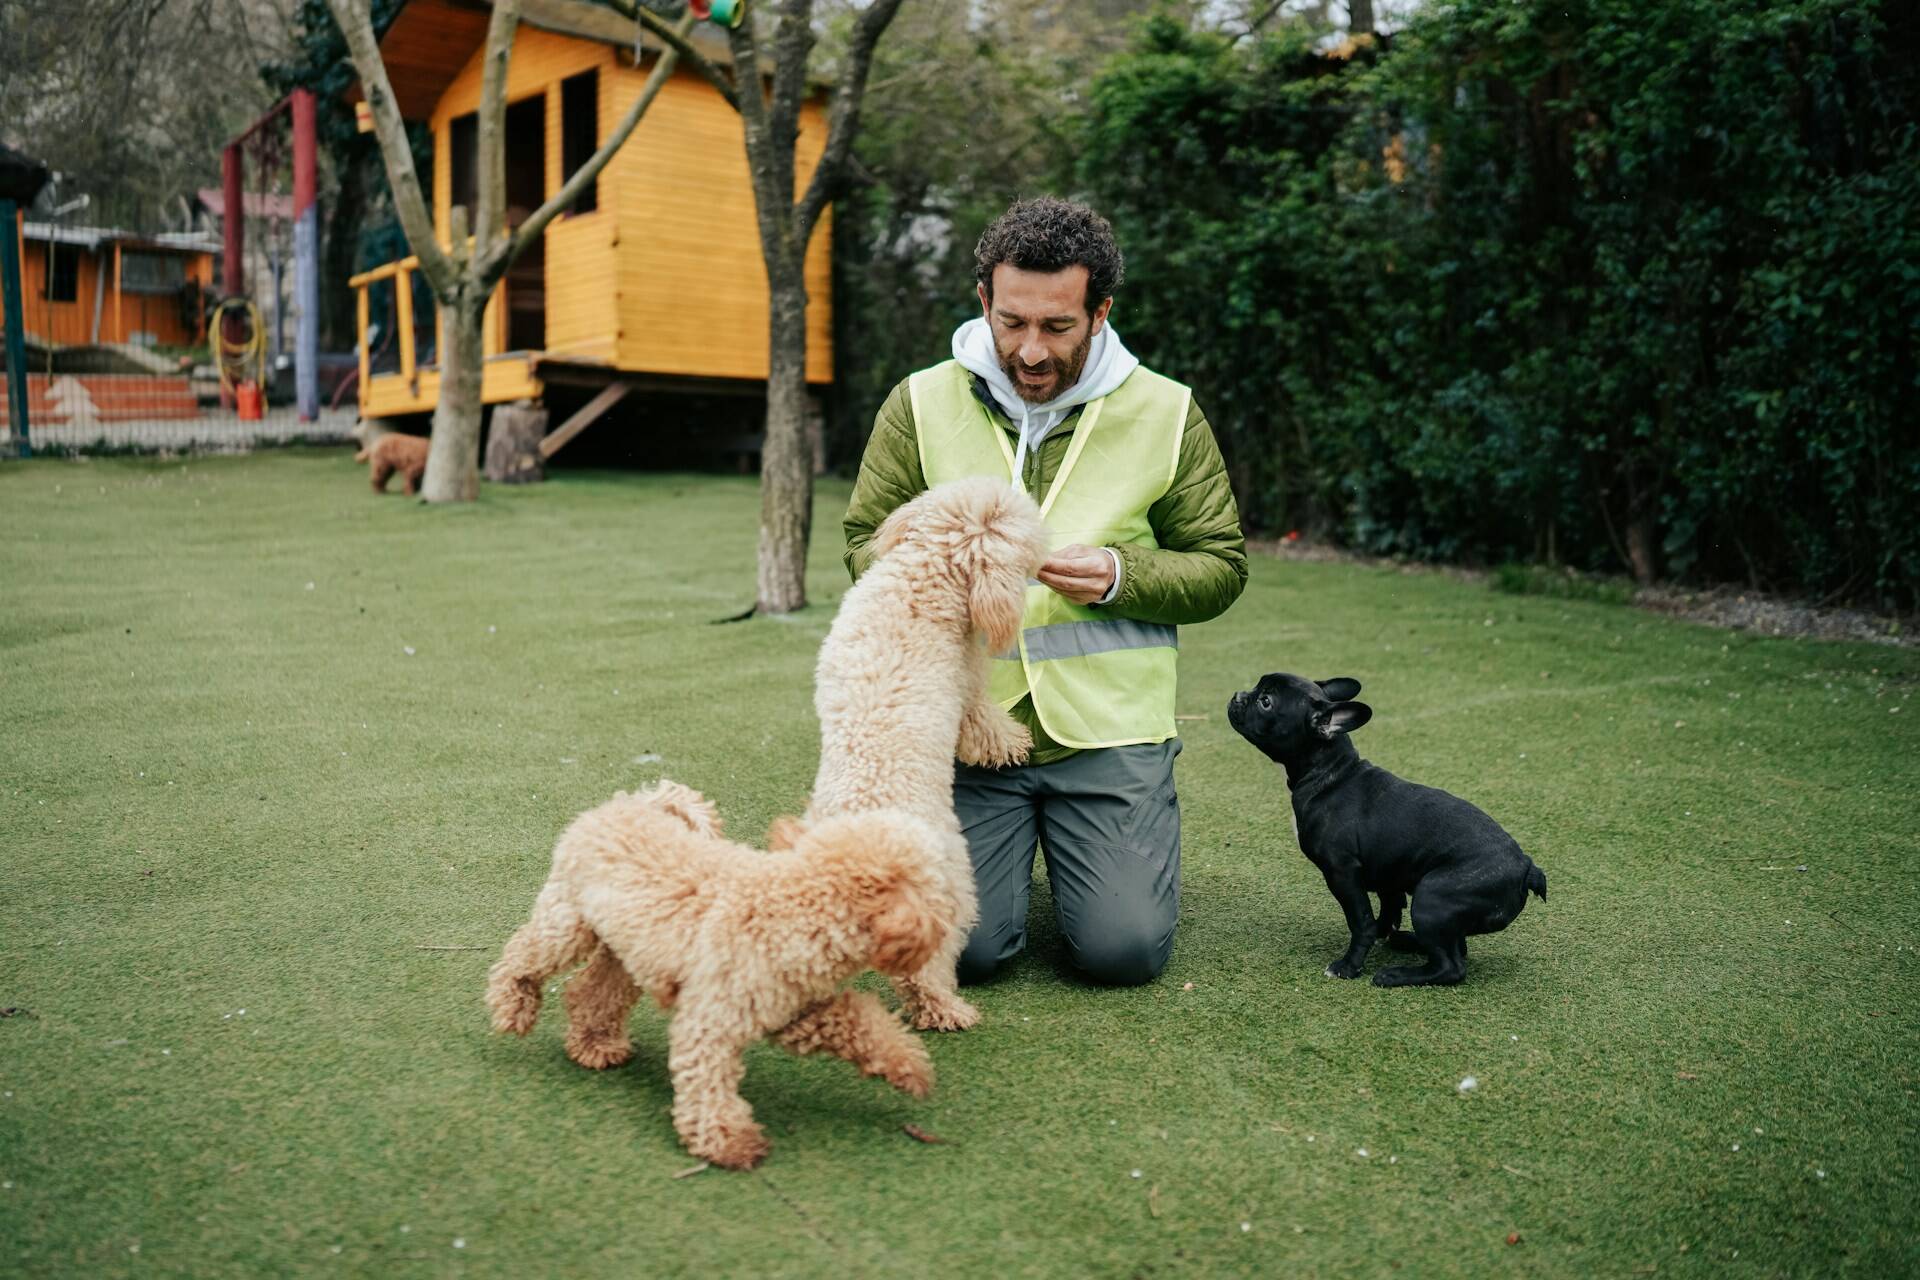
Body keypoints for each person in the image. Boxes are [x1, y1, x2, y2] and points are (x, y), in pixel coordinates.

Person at [842, 197, 1247, 986]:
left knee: (1121, 954)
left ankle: (1101, 861)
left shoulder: (1168, 411)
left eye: (1057, 328)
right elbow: (866, 543)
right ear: (985, 302)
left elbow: (1219, 566)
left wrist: (1124, 575)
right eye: (1013, 322)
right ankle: (1005, 872)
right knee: (966, 950)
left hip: (1109, 735)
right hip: (965, 724)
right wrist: (945, 580)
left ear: (1100, 312)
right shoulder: (919, 402)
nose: (1030, 351)